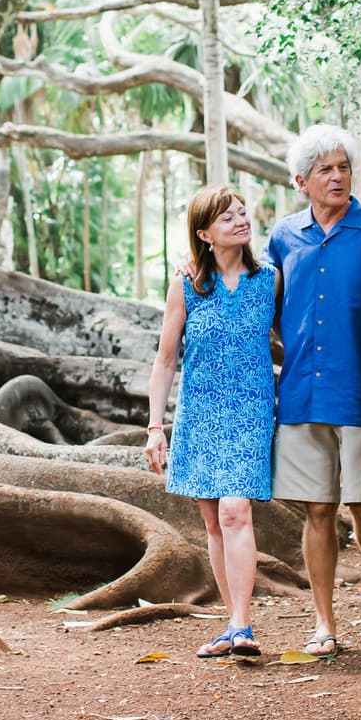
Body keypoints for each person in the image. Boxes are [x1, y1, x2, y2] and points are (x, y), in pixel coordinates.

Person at [266, 124, 361, 657]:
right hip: (302, 392)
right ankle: (324, 623)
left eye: (344, 166)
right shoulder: (282, 236)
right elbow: (269, 309)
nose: (338, 176)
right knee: (318, 510)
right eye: (326, 169)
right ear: (302, 181)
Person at [144, 184, 279, 659]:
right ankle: (232, 623)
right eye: (227, 217)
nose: (241, 221)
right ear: (204, 233)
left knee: (234, 510)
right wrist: (155, 427)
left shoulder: (271, 280)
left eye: (242, 213)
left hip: (251, 411)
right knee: (214, 524)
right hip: (199, 412)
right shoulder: (185, 286)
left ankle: (242, 626)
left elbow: (292, 340)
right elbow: (165, 360)